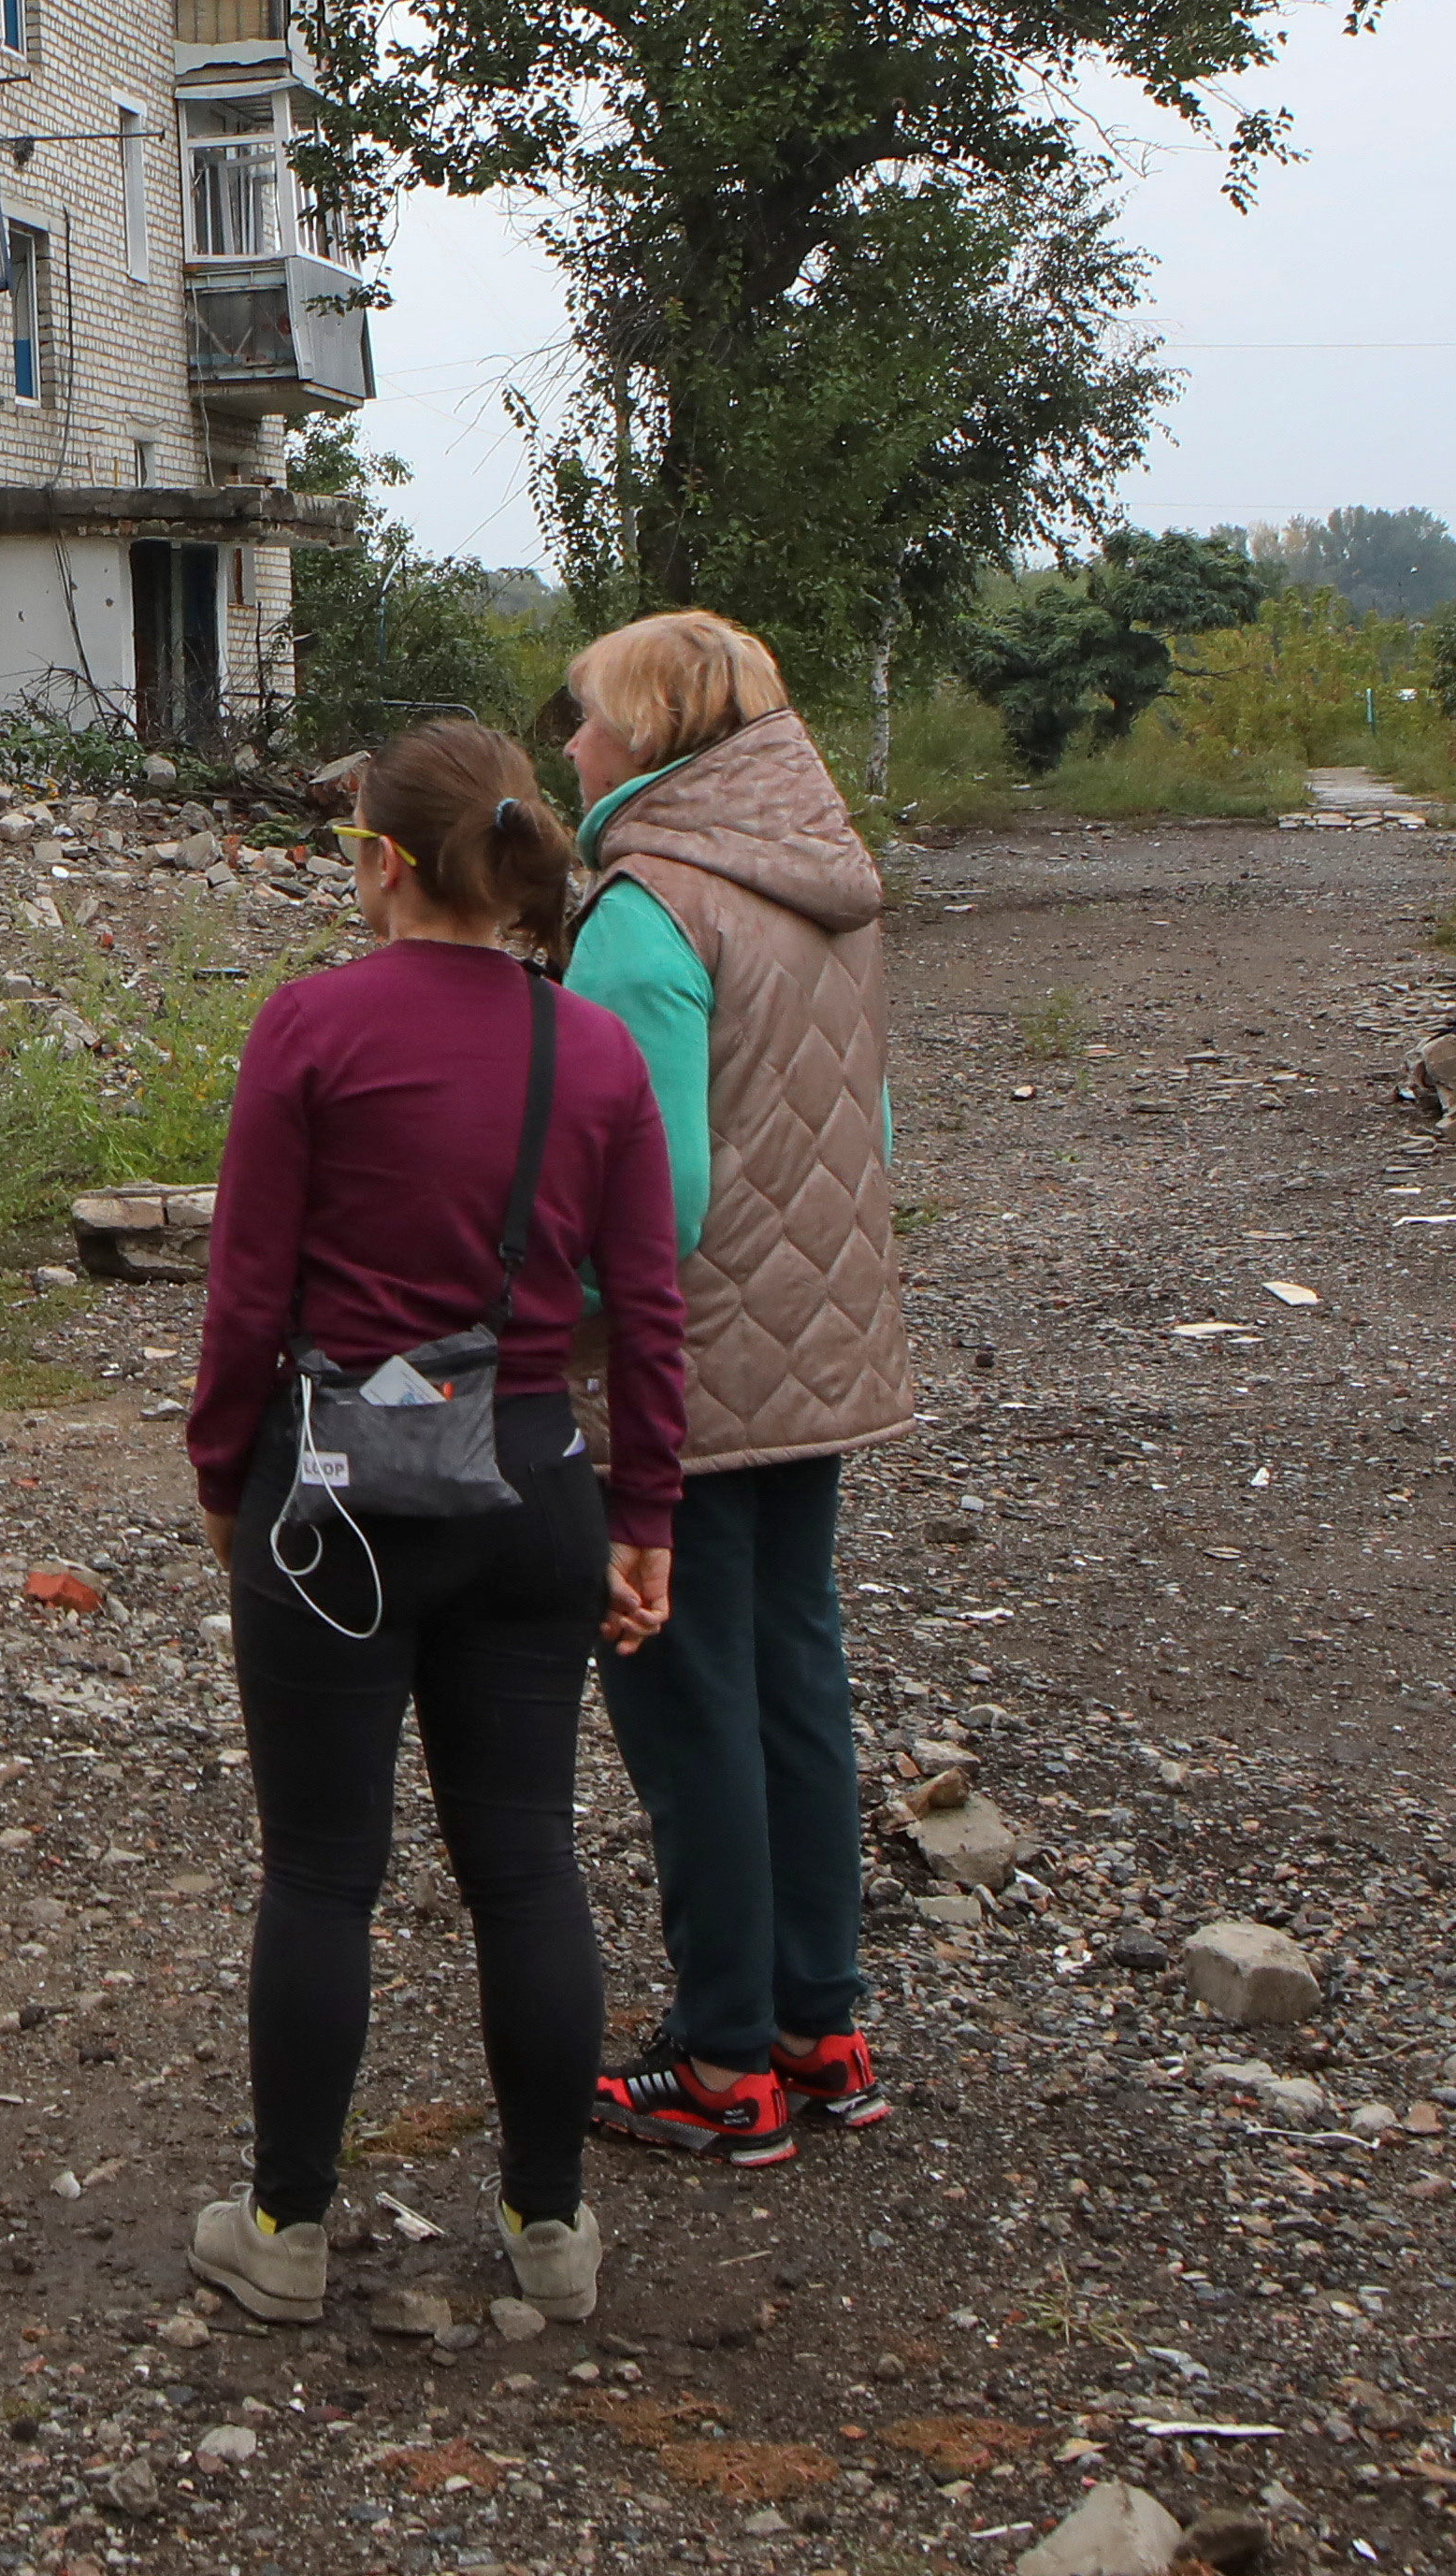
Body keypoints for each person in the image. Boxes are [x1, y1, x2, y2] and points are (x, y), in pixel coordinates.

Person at [180, 718, 691, 2331]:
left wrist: (220, 1473)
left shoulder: (309, 1029)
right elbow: (652, 1309)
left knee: (322, 1872)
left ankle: (284, 2234)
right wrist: (647, 1509)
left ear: (384, 862)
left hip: (335, 1495)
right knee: (528, 1862)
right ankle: (553, 2232)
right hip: (534, 1484)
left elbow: (249, 1292)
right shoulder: (591, 1049)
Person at [555, 610, 912, 2169]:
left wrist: (540, 1345)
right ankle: (816, 2027)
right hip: (818, 1348)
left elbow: (648, 1192)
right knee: (792, 1681)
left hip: (687, 1367)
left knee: (688, 1699)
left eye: (586, 722)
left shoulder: (648, 907)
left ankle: (717, 2064)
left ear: (650, 740)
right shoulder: (828, 893)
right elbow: (867, 1134)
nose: (569, 750)